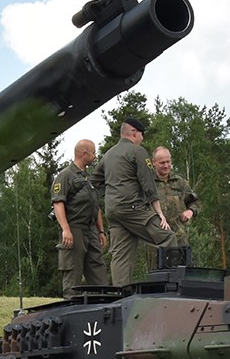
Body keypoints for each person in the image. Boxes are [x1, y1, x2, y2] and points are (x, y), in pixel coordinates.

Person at [102, 117, 173, 286]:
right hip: (132, 208)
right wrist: (160, 213)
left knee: (121, 255)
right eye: (142, 134)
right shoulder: (137, 151)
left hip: (112, 211)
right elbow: (148, 184)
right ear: (134, 132)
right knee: (167, 238)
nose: (143, 138)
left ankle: (121, 294)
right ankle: (170, 286)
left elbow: (96, 181)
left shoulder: (108, 154)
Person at [51, 138, 107, 295]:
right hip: (74, 230)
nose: (95, 156)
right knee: (72, 275)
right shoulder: (66, 176)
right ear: (84, 153)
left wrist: (101, 231)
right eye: (93, 152)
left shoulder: (88, 178)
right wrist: (66, 229)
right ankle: (71, 305)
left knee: (98, 272)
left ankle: (101, 303)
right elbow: (58, 203)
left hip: (91, 230)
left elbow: (96, 206)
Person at [151, 145, 199, 268]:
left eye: (168, 162)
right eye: (162, 163)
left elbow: (195, 202)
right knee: (158, 273)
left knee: (183, 272)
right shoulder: (148, 182)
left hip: (179, 238)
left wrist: (190, 211)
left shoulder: (180, 182)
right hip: (156, 240)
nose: (166, 165)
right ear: (154, 162)